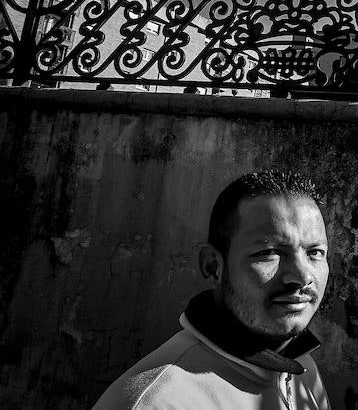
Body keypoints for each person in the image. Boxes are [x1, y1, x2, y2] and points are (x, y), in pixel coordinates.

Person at [94, 171, 331, 409]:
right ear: (213, 266)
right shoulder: (157, 401)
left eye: (315, 252)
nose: (302, 277)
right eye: (268, 253)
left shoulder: (303, 369)